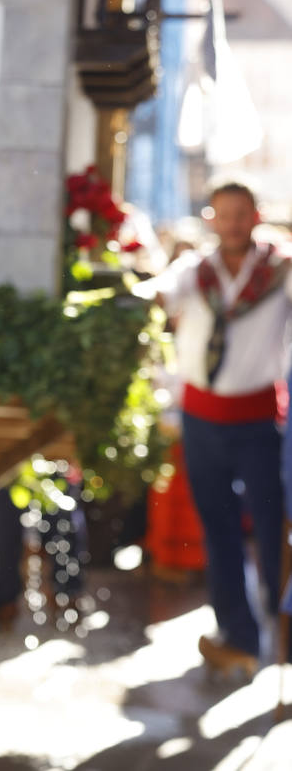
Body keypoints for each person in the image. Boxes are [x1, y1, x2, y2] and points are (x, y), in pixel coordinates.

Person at [138, 182, 291, 678]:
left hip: (259, 422)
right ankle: (239, 635)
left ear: (255, 216)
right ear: (211, 218)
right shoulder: (194, 271)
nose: (232, 223)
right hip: (202, 421)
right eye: (223, 215)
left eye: (240, 214)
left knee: (273, 531)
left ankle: (282, 632)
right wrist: (130, 286)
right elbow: (155, 292)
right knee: (219, 529)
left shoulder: (280, 270)